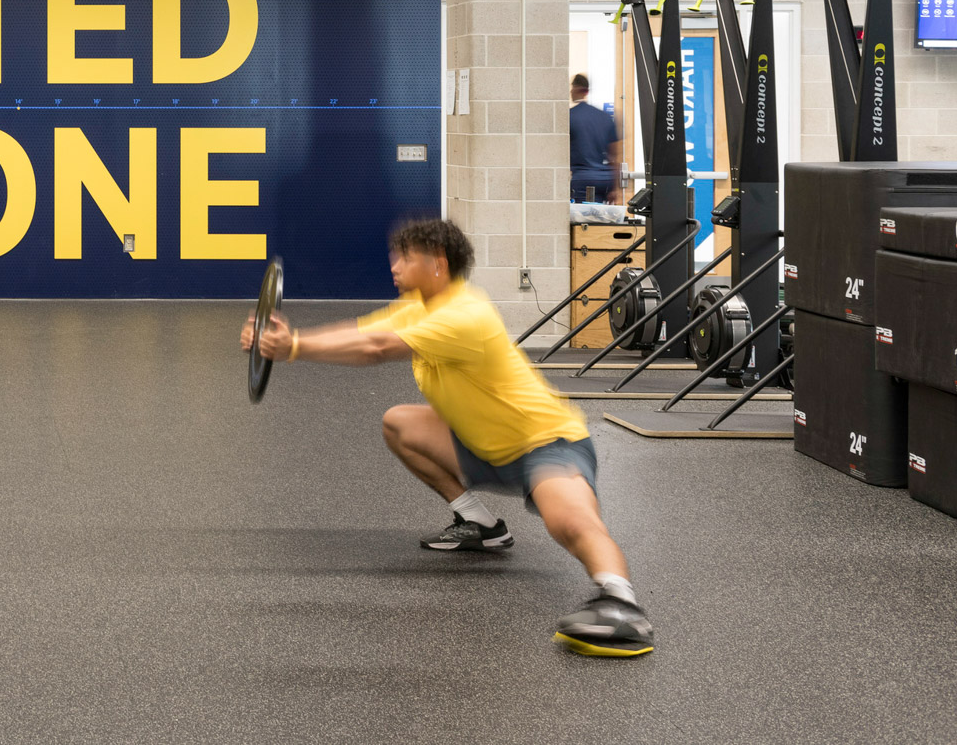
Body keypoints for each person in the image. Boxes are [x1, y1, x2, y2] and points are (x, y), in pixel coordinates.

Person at [239, 219, 655, 658]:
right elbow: (362, 331)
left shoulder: (463, 315)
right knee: (400, 423)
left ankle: (622, 604)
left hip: (545, 444)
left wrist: (296, 347)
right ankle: (481, 526)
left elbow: (376, 348)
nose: (394, 264)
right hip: (479, 444)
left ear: (438, 264)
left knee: (570, 523)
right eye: (395, 255)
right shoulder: (420, 306)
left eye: (406, 257)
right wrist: (282, 341)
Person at [569, 74, 620, 203]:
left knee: (583, 219)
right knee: (599, 218)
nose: (570, 91)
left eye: (572, 87)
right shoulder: (605, 117)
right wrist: (615, 188)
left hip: (582, 179)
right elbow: (614, 156)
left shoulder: (570, 116)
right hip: (605, 180)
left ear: (576, 89)